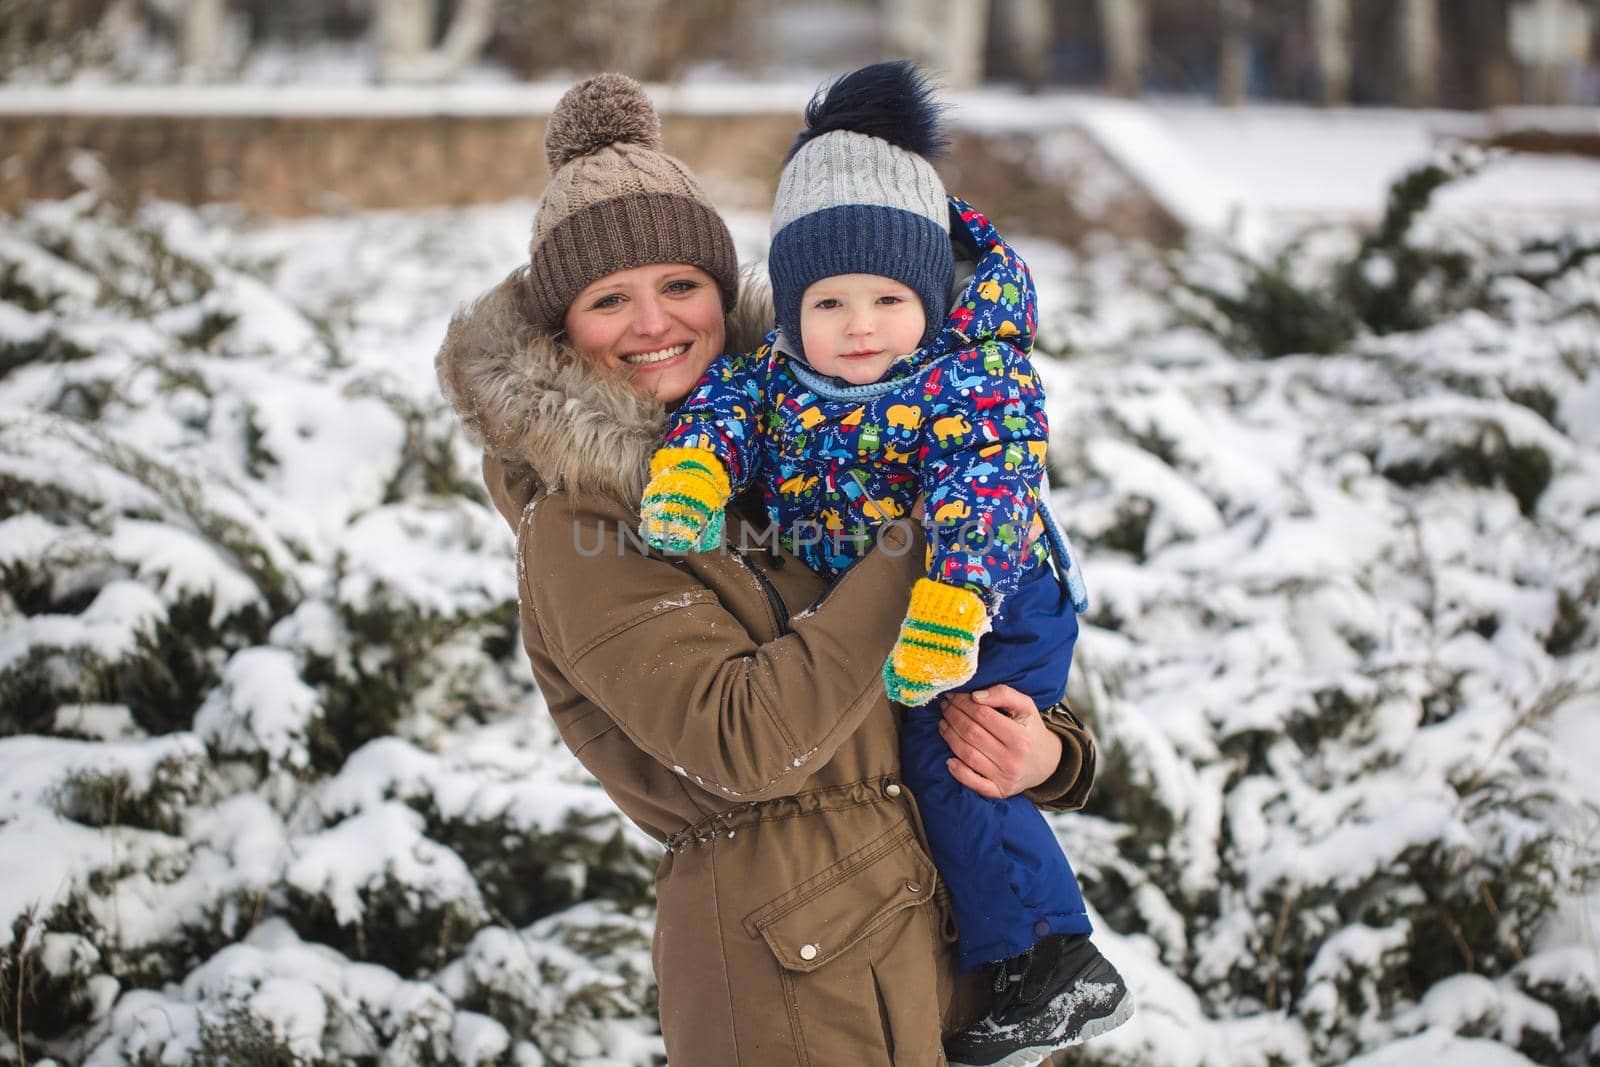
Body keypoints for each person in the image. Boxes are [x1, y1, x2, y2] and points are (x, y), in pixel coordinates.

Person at [435, 72, 1100, 1066]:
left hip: (933, 942)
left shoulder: (803, 439)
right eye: (608, 298)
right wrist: (930, 527)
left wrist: (1045, 755)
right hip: (786, 969)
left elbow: (945, 682)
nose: (653, 322)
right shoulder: (582, 525)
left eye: (680, 285)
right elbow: (744, 740)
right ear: (562, 329)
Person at [636, 62, 1133, 1065]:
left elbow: (990, 487)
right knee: (941, 757)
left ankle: (1052, 955)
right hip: (890, 665)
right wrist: (694, 469)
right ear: (790, 306)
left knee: (948, 758)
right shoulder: (780, 373)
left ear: (930, 296)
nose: (857, 325)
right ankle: (1016, 955)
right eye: (828, 301)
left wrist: (952, 602)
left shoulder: (967, 379)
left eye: (884, 298)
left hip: (998, 593)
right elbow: (728, 407)